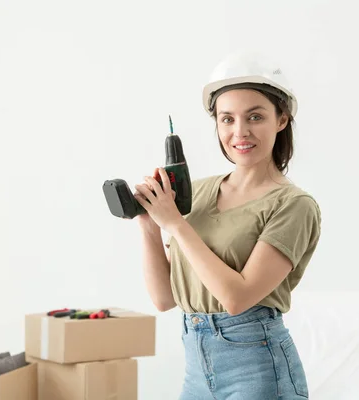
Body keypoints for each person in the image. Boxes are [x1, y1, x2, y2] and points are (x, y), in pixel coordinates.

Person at [134, 52, 322, 400]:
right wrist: (150, 224)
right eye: (227, 119)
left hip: (257, 369)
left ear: (281, 119)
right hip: (195, 367)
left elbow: (237, 298)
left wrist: (175, 223)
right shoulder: (198, 192)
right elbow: (164, 299)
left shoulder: (293, 205)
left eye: (255, 116)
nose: (240, 132)